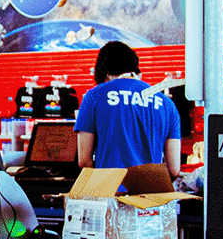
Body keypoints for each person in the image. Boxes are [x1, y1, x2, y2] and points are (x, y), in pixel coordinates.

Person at [74, 41, 182, 179]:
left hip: (110, 193)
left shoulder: (94, 96)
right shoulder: (167, 103)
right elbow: (174, 170)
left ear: (105, 72)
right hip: (151, 196)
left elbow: (84, 161)